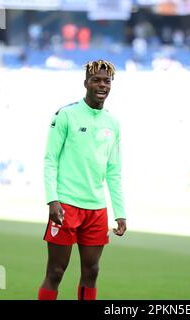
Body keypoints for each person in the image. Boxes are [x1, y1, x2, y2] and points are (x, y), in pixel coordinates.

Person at [38, 60, 127, 300]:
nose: (102, 85)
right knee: (56, 272)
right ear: (85, 83)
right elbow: (50, 160)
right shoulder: (65, 115)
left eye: (106, 81)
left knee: (92, 271)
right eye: (96, 80)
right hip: (65, 205)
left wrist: (120, 212)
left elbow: (113, 171)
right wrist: (52, 200)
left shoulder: (113, 123)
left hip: (96, 210)